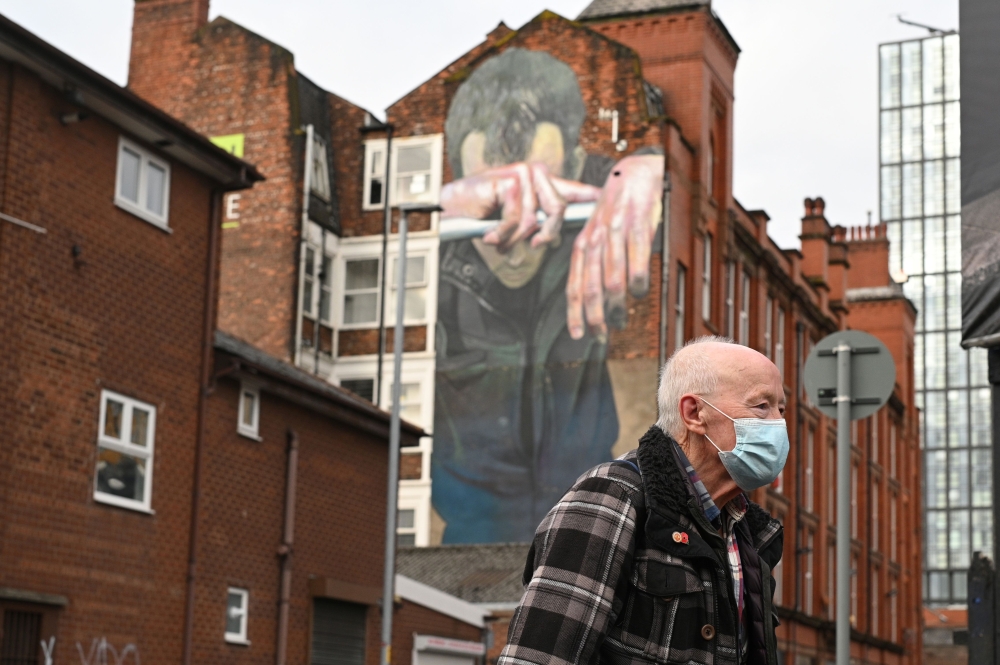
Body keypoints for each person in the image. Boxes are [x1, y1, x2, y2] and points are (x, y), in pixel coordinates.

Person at [432, 47, 663, 543]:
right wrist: (440, 209)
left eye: (541, 203)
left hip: (592, 526)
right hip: (467, 548)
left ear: (576, 171)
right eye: (493, 209)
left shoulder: (597, 217)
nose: (516, 240)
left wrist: (646, 168)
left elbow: (678, 184)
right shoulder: (429, 252)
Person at [499, 336, 787, 665]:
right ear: (694, 413)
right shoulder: (614, 496)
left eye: (781, 409)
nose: (778, 424)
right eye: (761, 406)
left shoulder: (745, 530)